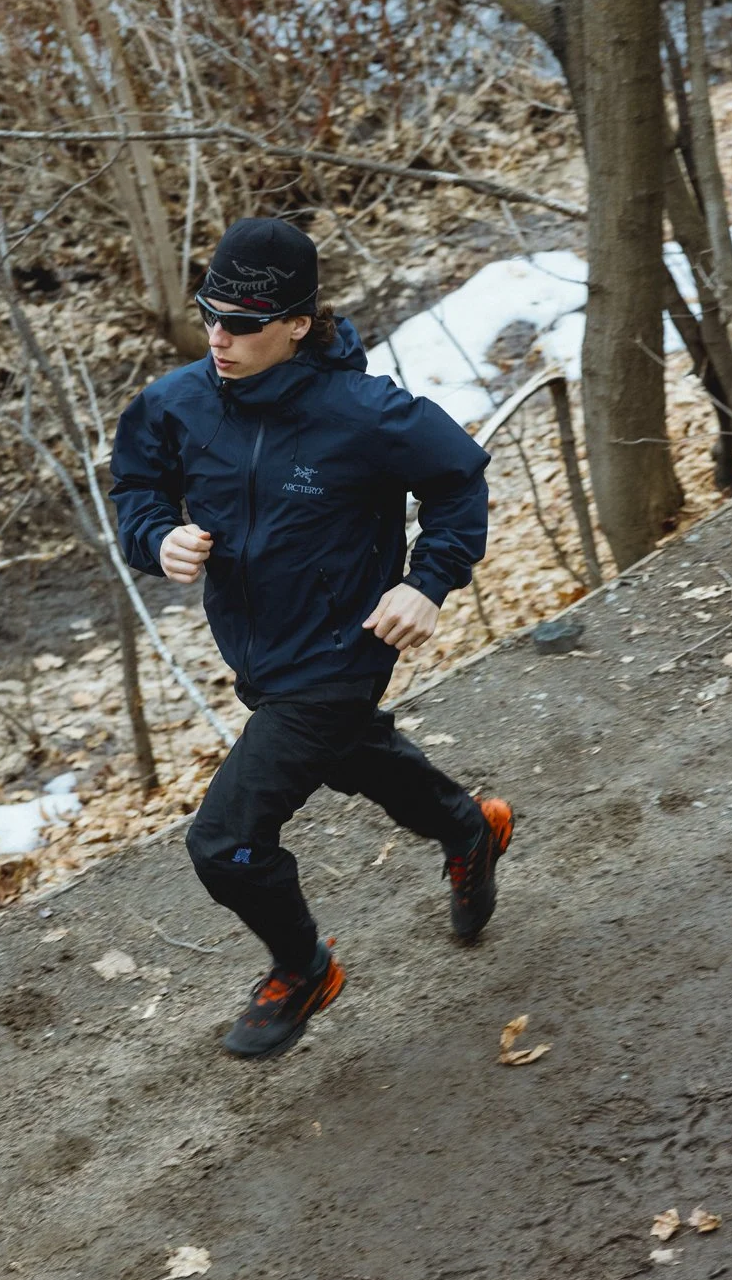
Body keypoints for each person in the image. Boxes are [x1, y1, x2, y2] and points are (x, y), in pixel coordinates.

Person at [110, 217, 513, 1061]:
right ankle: (467, 828)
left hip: (339, 651)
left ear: (297, 323)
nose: (217, 336)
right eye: (209, 314)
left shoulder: (366, 415)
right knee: (353, 758)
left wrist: (424, 582)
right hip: (258, 651)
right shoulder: (177, 403)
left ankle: (303, 969)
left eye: (242, 324)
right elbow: (138, 485)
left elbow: (458, 481)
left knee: (224, 843)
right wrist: (156, 539)